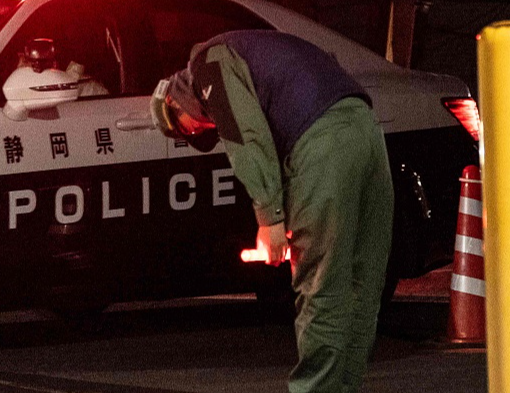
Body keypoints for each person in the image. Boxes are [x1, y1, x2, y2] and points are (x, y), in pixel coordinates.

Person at [150, 31, 393, 393]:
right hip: (368, 132)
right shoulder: (255, 48)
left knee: (322, 289)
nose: (197, 131)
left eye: (185, 129)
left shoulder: (207, 61)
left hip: (320, 142)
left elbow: (246, 136)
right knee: (361, 287)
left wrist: (271, 217)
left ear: (175, 102)